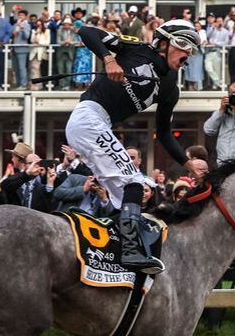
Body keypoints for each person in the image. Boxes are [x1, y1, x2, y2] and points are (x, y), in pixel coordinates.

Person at [66, 18, 204, 274]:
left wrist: (190, 167)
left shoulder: (170, 88)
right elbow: (86, 31)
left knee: (125, 192)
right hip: (88, 117)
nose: (188, 54)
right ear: (162, 43)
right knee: (133, 182)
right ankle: (131, 251)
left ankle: (111, 250)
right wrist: (109, 59)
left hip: (97, 125)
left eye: (191, 50)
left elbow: (163, 133)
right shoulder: (137, 48)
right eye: (183, 45)